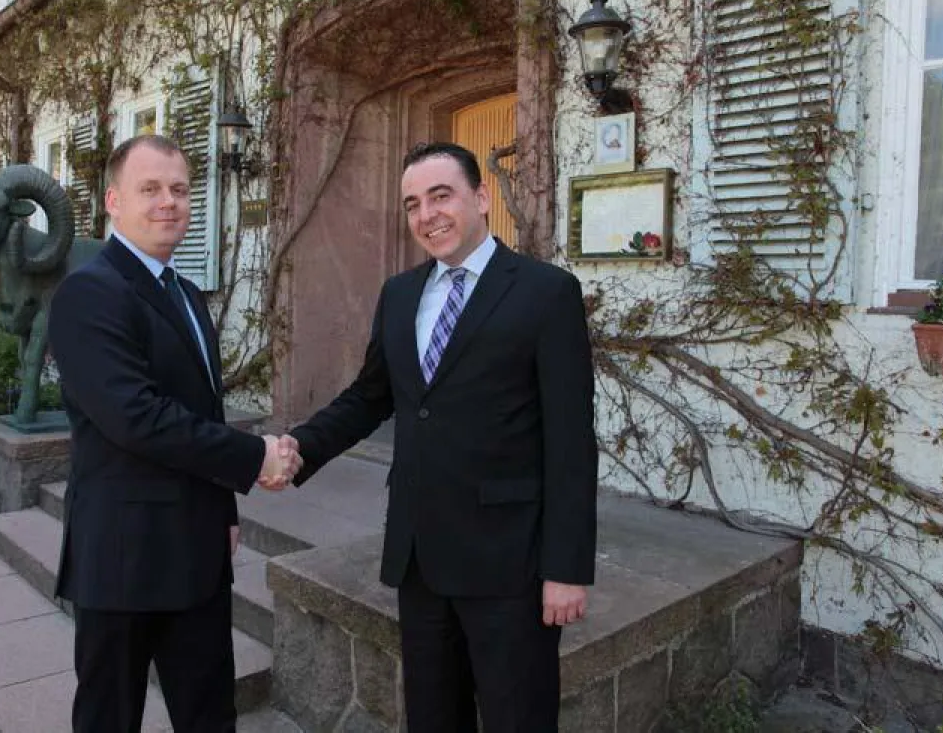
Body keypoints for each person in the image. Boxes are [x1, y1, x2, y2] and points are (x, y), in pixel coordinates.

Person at [282, 141, 598, 732]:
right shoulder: (400, 295)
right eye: (411, 204)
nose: (426, 215)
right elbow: (371, 396)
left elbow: (572, 441)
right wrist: (300, 448)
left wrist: (567, 567)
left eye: (441, 195)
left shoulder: (545, 292)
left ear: (481, 197)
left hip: (511, 565)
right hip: (421, 558)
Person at [48, 134, 299, 733]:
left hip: (198, 552)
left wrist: (224, 512)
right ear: (113, 200)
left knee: (210, 713)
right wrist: (255, 454)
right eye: (151, 189)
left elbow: (200, 411)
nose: (169, 202)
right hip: (124, 557)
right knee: (111, 717)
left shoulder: (186, 294)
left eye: (180, 190)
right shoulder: (88, 293)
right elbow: (138, 417)